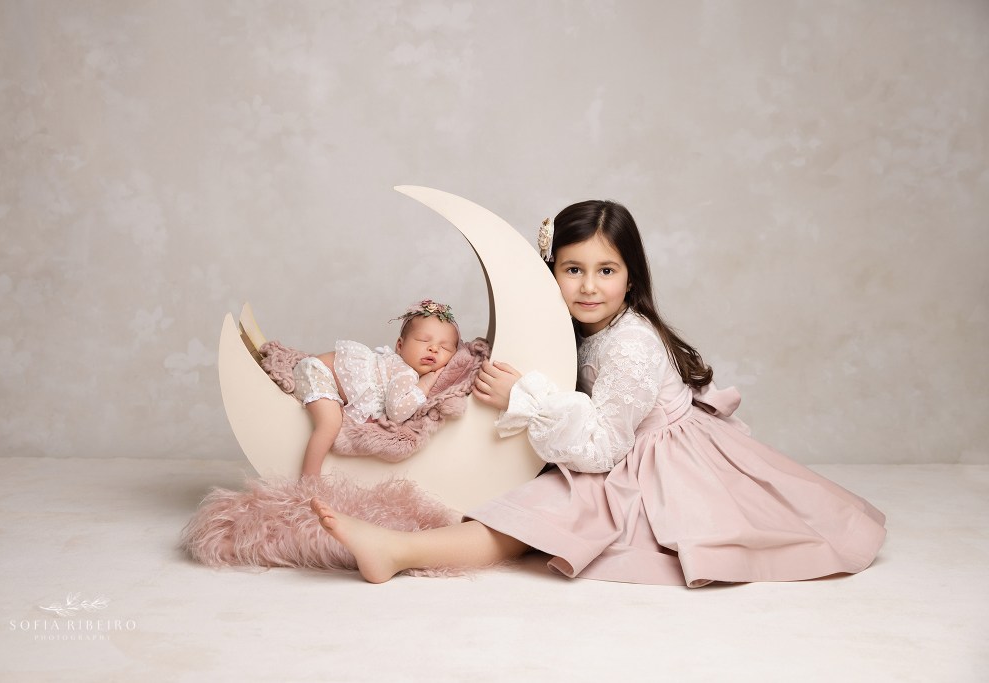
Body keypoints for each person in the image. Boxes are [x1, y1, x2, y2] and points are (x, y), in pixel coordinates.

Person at [310, 201, 887, 586]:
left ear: (630, 277)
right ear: (550, 272)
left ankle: (397, 551)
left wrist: (524, 398)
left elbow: (603, 448)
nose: (589, 286)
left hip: (650, 458)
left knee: (544, 511)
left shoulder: (631, 343)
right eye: (573, 269)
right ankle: (409, 537)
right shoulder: (581, 328)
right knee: (519, 485)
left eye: (606, 271)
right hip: (607, 439)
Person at [294, 299, 459, 477]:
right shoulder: (405, 372)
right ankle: (309, 479)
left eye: (444, 347)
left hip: (321, 373)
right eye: (423, 340)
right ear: (400, 345)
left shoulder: (397, 368)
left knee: (333, 419)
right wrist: (424, 386)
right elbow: (397, 412)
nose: (434, 348)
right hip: (318, 374)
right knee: (330, 423)